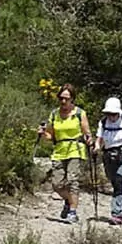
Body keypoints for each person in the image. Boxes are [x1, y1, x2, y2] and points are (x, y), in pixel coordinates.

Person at [37, 83, 89, 223]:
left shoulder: (79, 113)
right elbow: (51, 136)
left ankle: (73, 211)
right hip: (59, 150)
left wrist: (90, 141)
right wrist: (43, 134)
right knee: (57, 184)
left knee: (72, 180)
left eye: (66, 98)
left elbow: (86, 133)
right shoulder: (54, 114)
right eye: (61, 98)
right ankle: (68, 201)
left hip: (75, 149)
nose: (63, 101)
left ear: (72, 98)